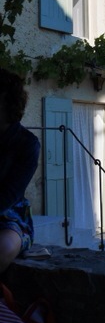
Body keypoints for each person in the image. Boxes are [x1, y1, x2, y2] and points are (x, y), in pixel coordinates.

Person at [0, 69, 40, 273]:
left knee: (4, 248)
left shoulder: (27, 144)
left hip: (9, 216)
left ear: (8, 103)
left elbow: (8, 195)